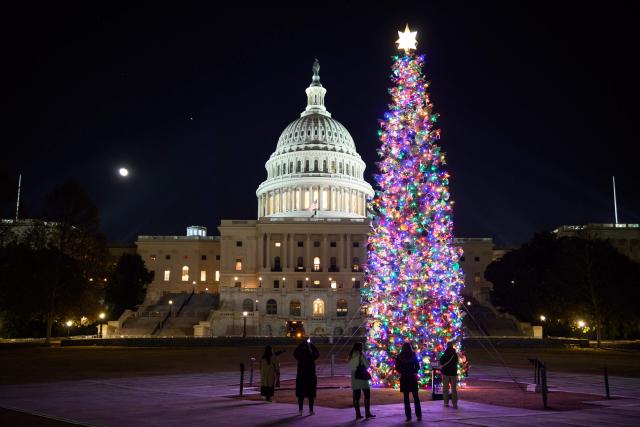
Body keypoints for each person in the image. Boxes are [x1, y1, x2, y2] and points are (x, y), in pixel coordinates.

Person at [395, 342, 422, 421]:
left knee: (406, 398)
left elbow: (397, 367)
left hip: (404, 377)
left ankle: (408, 416)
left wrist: (402, 371)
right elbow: (417, 366)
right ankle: (418, 415)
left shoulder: (399, 356)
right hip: (412, 377)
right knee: (416, 397)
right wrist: (413, 371)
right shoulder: (413, 355)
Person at [349, 343, 376, 419]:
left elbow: (352, 366)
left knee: (356, 396)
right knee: (367, 395)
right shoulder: (360, 354)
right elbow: (366, 365)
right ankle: (367, 412)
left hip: (355, 377)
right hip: (362, 377)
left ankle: (358, 414)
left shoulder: (352, 354)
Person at [293, 337, 320, 415]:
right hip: (310, 374)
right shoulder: (310, 347)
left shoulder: (300, 348)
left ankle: (300, 410)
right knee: (310, 394)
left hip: (302, 374)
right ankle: (310, 410)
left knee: (301, 394)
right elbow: (317, 355)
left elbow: (295, 355)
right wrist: (310, 350)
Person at [439, 341, 459, 408]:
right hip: (453, 373)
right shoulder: (455, 354)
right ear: (452, 346)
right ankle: (454, 403)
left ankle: (446, 402)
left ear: (447, 346)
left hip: (446, 373)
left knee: (445, 388)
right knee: (454, 389)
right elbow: (456, 362)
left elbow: (441, 361)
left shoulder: (445, 354)